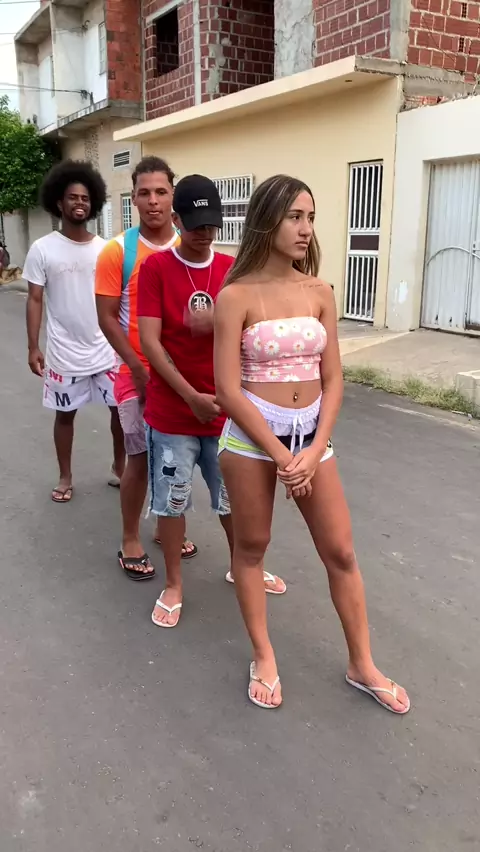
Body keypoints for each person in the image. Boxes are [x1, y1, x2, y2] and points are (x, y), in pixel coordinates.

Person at [214, 174, 411, 714]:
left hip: (311, 440)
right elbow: (227, 389)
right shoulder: (236, 295)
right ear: (267, 220)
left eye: (311, 218)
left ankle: (362, 664)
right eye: (295, 217)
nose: (306, 229)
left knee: (341, 552)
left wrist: (316, 446)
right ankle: (264, 656)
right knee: (251, 548)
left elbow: (333, 378)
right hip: (254, 441)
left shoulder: (319, 291)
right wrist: (282, 457)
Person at [137, 174, 286, 627]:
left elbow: (254, 327)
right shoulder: (156, 269)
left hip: (228, 413)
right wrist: (191, 397)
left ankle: (245, 567)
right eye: (195, 223)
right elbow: (150, 342)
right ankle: (173, 584)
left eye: (211, 224)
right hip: (173, 414)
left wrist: (217, 321)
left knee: (235, 501)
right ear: (177, 220)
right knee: (172, 502)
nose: (204, 232)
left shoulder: (232, 270)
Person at [95, 156, 197, 581]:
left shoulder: (191, 246)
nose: (153, 200)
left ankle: (164, 529)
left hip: (181, 377)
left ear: (173, 196)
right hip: (133, 375)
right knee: (138, 457)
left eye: (161, 192)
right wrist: (137, 368)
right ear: (133, 199)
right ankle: (130, 538)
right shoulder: (118, 251)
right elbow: (106, 318)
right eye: (144, 193)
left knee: (175, 459)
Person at [25, 159, 125, 503]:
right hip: (64, 353)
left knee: (121, 412)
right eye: (72, 197)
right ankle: (65, 476)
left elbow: (118, 300)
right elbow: (35, 299)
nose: (79, 203)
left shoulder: (106, 250)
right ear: (59, 202)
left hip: (106, 350)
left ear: (92, 203)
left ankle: (120, 468)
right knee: (64, 415)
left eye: (85, 198)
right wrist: (33, 346)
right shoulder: (42, 249)